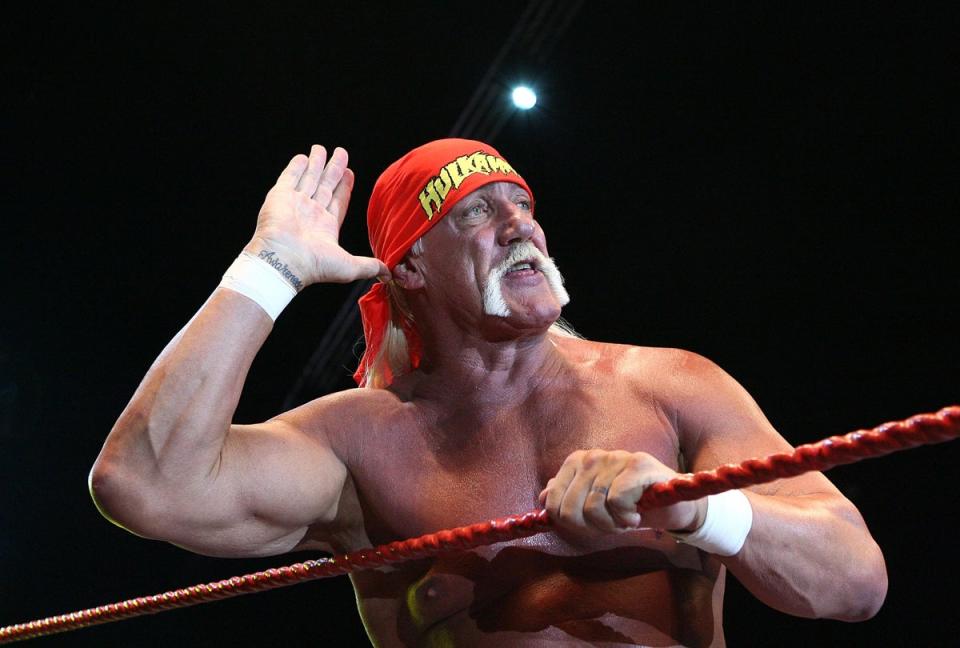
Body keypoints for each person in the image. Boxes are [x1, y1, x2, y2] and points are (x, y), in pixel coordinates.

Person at [90, 139, 887, 647]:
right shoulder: (356, 443)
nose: (520, 227)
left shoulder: (670, 385)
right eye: (476, 213)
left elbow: (856, 583)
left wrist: (696, 510)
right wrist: (271, 269)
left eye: (524, 208)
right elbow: (145, 484)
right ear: (409, 268)